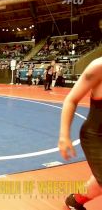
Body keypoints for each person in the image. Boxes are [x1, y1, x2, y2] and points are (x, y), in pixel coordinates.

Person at [58, 57, 102, 210]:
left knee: (100, 181)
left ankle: (75, 201)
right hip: (95, 137)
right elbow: (71, 99)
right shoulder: (98, 67)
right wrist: (64, 136)